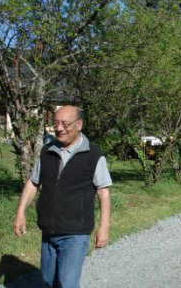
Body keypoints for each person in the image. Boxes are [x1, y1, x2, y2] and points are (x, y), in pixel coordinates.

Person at [13, 105, 112, 288]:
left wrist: (103, 227)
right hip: (48, 232)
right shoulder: (47, 151)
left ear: (79, 124)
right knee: (47, 282)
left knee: (67, 284)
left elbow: (103, 193)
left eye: (65, 124)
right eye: (56, 123)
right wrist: (20, 213)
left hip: (75, 234)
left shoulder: (94, 155)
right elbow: (33, 183)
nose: (59, 128)